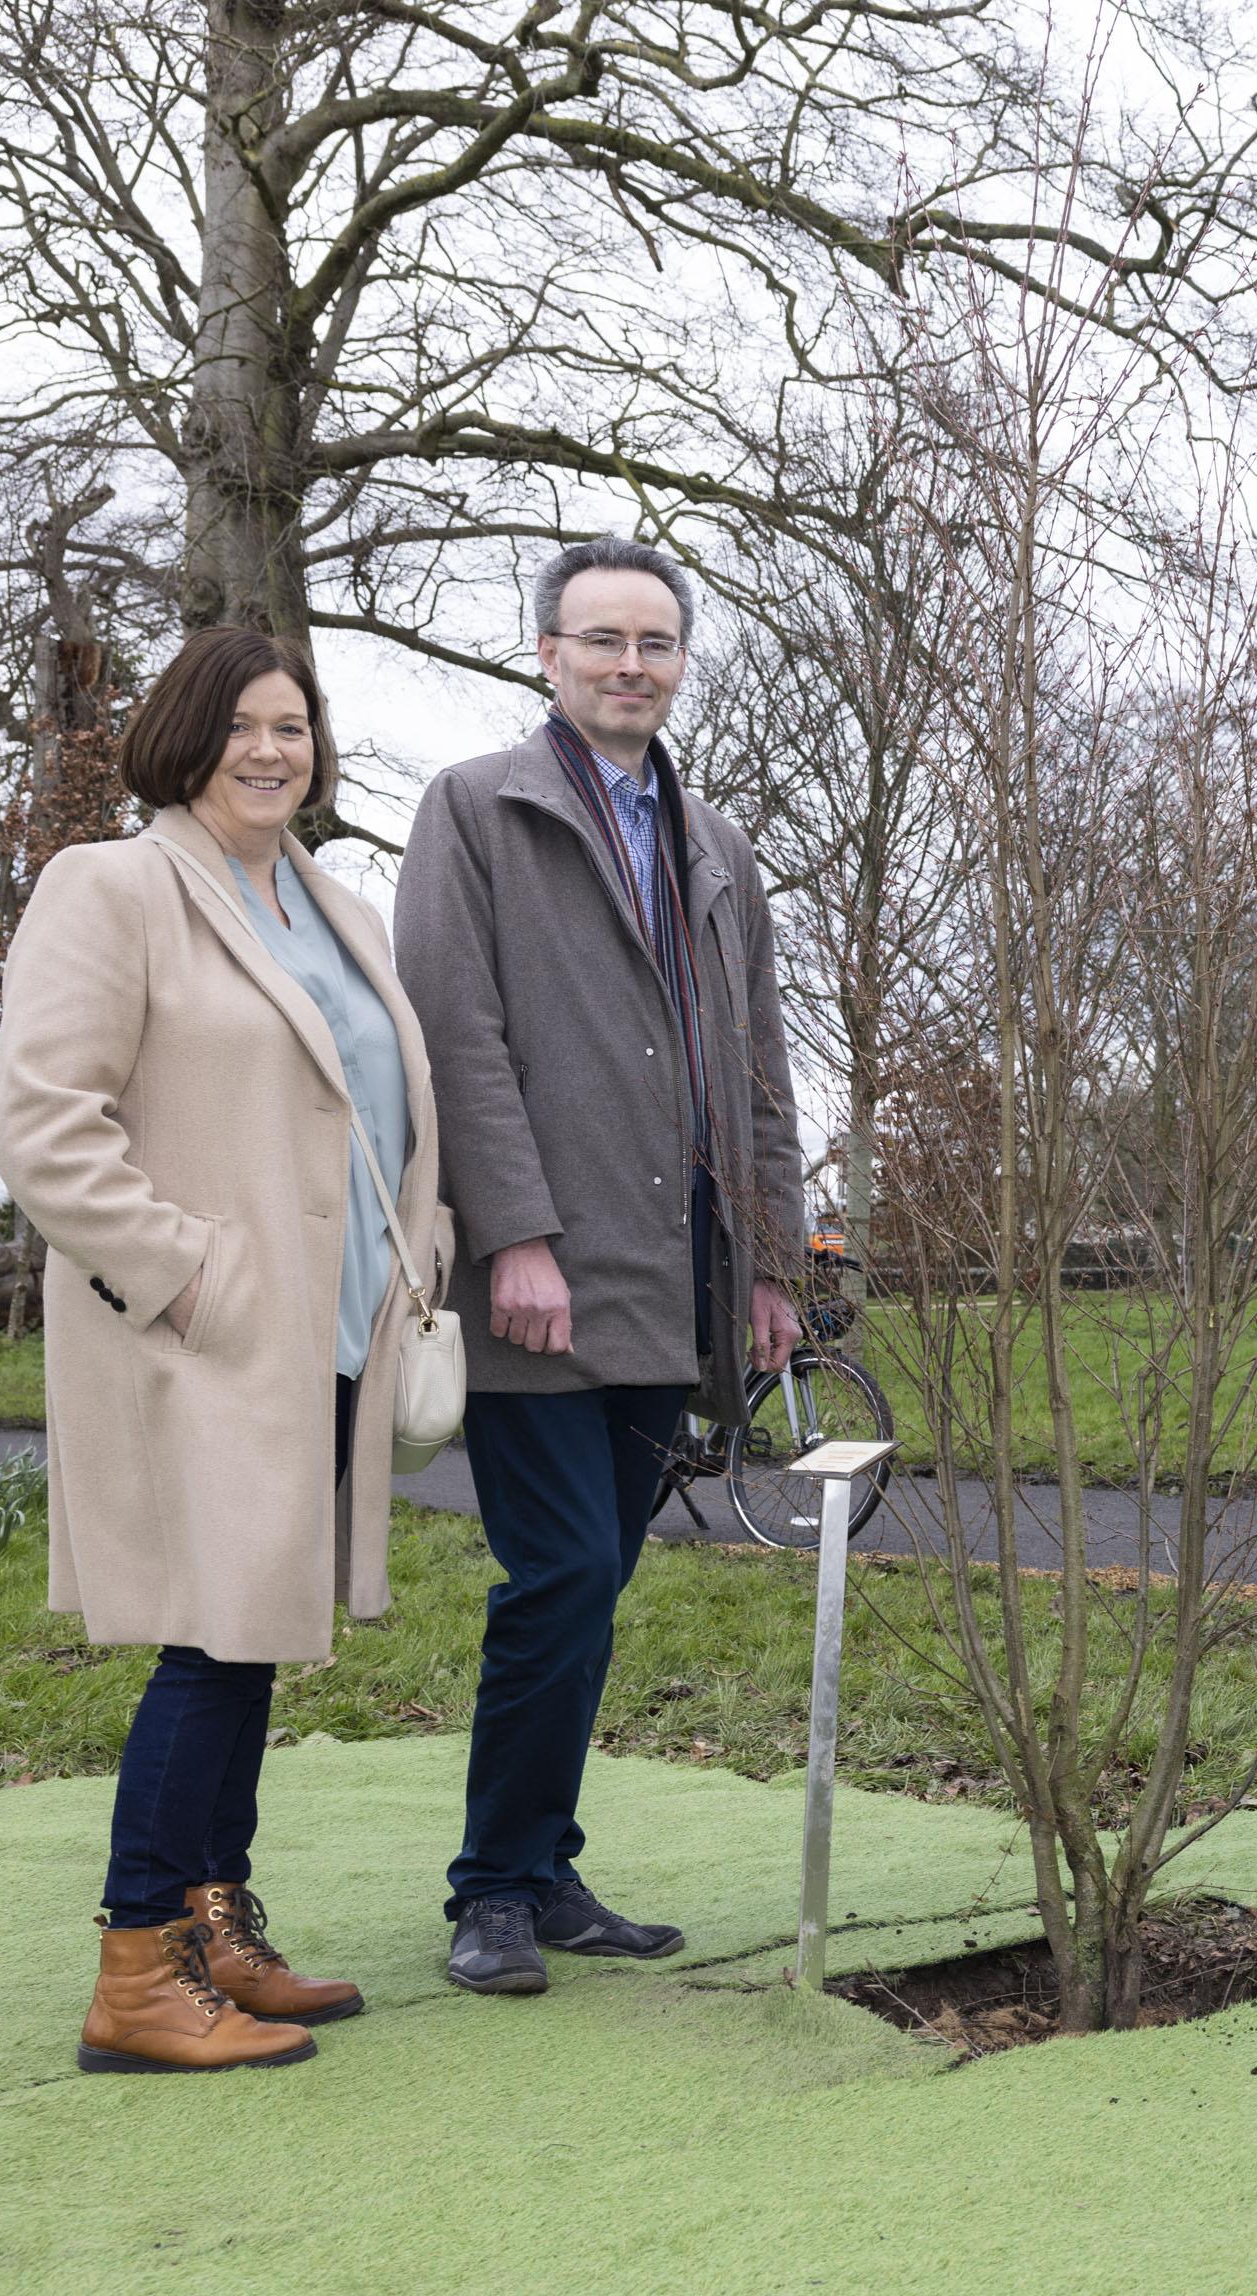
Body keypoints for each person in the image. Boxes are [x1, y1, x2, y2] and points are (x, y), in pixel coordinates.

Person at [0, 625, 446, 2071]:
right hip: (206, 1337)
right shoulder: (113, 885)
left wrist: (415, 1255)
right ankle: (137, 1968)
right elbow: (47, 1125)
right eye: (244, 724)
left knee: (250, 1643)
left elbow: (375, 1110)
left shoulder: (333, 908)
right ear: (186, 736)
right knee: (209, 1640)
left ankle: (213, 1926)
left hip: (331, 1332)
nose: (272, 749)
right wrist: (184, 1279)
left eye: (295, 727)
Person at [395, 537, 805, 1996]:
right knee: (560, 1568)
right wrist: (514, 1233)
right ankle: (494, 1888)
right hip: (540, 1278)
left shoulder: (718, 849)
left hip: (675, 1277)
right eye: (602, 639)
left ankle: (547, 1867)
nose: (631, 663)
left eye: (657, 641)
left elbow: (758, 1073)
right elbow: (457, 1036)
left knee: (597, 1578)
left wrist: (769, 1267)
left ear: (682, 661)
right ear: (548, 657)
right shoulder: (474, 813)